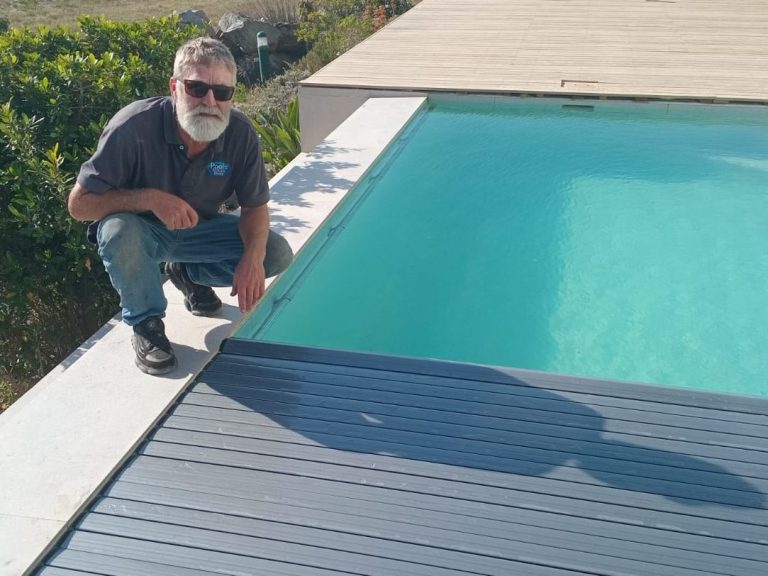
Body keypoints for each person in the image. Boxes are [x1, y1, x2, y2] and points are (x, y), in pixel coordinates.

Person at [68, 37, 293, 375]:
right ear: (174, 87)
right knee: (117, 231)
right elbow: (79, 205)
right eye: (197, 88)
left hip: (199, 230)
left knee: (273, 253)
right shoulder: (132, 127)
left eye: (222, 92)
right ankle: (147, 324)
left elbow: (254, 207)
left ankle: (186, 272)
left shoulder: (239, 133)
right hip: (141, 233)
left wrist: (252, 257)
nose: (210, 101)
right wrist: (149, 198)